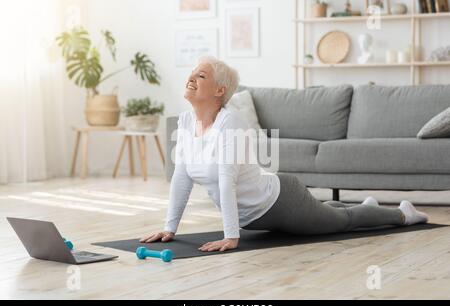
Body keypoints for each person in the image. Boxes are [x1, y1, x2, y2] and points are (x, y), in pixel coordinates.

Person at [139, 56, 429, 252]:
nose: (191, 78)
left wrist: (230, 236)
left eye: (201, 75)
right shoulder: (186, 121)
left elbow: (227, 180)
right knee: (327, 215)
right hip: (257, 216)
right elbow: (181, 177)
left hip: (279, 201)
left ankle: (403, 213)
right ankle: (365, 206)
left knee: (342, 224)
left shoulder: (231, 124)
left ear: (219, 90)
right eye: (192, 73)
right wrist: (169, 228)